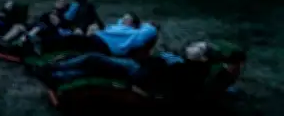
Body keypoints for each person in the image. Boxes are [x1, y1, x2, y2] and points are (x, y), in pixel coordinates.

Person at [35, 40, 246, 99]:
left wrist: (140, 87)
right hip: (140, 66)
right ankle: (57, 73)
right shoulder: (190, 64)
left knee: (94, 61)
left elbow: (176, 88)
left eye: (197, 47)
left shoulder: (191, 72)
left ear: (202, 57)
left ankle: (55, 70)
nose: (191, 45)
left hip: (138, 74)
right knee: (96, 66)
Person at [40, 12, 159, 58]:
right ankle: (45, 43)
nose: (123, 19)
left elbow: (150, 31)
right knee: (74, 39)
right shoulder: (119, 27)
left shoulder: (134, 33)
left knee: (74, 40)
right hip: (99, 39)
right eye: (123, 17)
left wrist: (148, 25)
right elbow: (117, 23)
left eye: (127, 19)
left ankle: (44, 45)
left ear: (133, 23)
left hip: (105, 46)